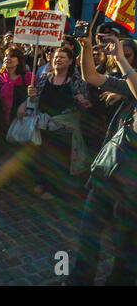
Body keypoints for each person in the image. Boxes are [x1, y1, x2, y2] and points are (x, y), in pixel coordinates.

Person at [67, 28, 137, 285]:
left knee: (127, 247)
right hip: (110, 169)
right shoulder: (132, 82)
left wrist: (120, 59)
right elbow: (92, 76)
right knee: (88, 231)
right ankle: (80, 279)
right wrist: (85, 47)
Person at [26, 47, 91, 200]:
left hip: (64, 129)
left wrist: (83, 101)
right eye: (56, 57)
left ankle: (58, 192)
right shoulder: (43, 78)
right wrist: (32, 96)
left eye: (62, 57)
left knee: (61, 161)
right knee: (44, 159)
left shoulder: (76, 81)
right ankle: (44, 186)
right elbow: (35, 101)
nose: (58, 59)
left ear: (70, 61)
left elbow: (84, 105)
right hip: (45, 126)